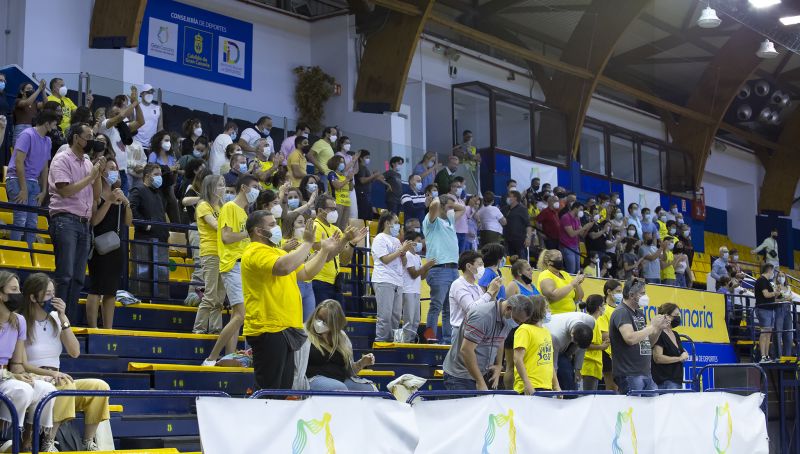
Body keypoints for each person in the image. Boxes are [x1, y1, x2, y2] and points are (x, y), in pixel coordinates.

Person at [241, 210, 340, 389]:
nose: (276, 227)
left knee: (284, 389)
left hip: (286, 328)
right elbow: (284, 267)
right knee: (269, 391)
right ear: (258, 231)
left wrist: (324, 251)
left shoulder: (277, 251)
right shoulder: (254, 251)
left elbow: (306, 272)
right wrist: (308, 243)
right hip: (269, 329)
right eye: (272, 224)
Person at [20, 273, 111, 450]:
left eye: (53, 294)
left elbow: (75, 352)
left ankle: (87, 442)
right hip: (33, 378)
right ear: (33, 297)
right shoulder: (21, 321)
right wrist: (52, 374)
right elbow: (21, 364)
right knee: (65, 384)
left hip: (57, 377)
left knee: (99, 387)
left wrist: (63, 319)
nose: (53, 298)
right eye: (47, 294)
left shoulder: (56, 318)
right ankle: (48, 443)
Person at [201, 175, 260, 366]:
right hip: (232, 264)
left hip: (245, 266)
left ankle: (229, 356)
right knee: (240, 315)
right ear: (243, 188)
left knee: (238, 316)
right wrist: (248, 233)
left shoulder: (245, 213)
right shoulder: (230, 207)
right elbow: (226, 237)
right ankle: (211, 358)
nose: (257, 190)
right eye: (255, 186)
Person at [49, 123, 103, 323]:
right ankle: (57, 321)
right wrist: (90, 177)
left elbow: (97, 195)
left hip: (84, 223)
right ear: (76, 138)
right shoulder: (62, 159)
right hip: (65, 220)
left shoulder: (88, 162)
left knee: (78, 278)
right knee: (65, 275)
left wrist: (98, 173)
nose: (92, 140)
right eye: (88, 136)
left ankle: (68, 323)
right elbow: (64, 191)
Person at [0, 272, 57, 452]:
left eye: (19, 289)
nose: (18, 294)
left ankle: (27, 442)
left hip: (6, 374)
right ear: (1, 294)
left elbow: (17, 364)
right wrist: (12, 376)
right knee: (21, 390)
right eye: (13, 289)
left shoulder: (19, 321)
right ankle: (5, 437)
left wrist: (29, 376)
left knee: (46, 389)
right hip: (3, 376)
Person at [442, 294, 533, 391]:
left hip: (482, 373)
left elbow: (500, 340)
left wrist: (498, 365)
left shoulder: (507, 317)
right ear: (508, 308)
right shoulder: (482, 316)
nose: (517, 324)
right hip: (460, 375)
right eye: (517, 320)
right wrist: (480, 381)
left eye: (521, 322)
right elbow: (466, 350)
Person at [86, 159, 131, 329]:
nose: (115, 171)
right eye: (111, 168)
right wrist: (109, 201)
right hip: (99, 247)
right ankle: (93, 327)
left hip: (116, 248)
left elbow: (128, 222)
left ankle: (108, 329)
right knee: (96, 289)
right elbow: (94, 221)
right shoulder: (96, 195)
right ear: (102, 171)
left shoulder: (118, 195)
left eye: (116, 169)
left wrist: (126, 202)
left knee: (111, 292)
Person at [609, 277, 670, 394]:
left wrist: (658, 329)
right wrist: (651, 327)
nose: (645, 296)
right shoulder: (622, 312)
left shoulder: (640, 313)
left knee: (653, 404)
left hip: (645, 373)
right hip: (629, 374)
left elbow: (648, 343)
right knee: (634, 406)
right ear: (631, 295)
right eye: (642, 293)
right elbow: (630, 338)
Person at [6, 110, 57, 245]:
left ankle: (28, 253)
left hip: (34, 183)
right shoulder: (27, 134)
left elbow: (45, 167)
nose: (55, 127)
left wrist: (44, 191)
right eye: (54, 124)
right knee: (20, 220)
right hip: (16, 180)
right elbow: (19, 162)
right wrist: (23, 189)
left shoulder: (48, 141)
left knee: (32, 223)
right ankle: (16, 254)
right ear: (47, 123)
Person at [305, 300, 376, 391]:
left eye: (325, 321)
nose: (320, 323)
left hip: (340, 379)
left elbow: (349, 372)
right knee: (339, 388)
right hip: (312, 379)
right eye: (319, 318)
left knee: (371, 389)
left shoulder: (342, 337)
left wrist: (361, 363)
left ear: (335, 323)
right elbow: (297, 370)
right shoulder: (305, 335)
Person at [311, 195, 368, 303]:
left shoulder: (336, 229)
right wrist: (344, 239)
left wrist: (352, 243)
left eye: (335, 209)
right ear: (320, 210)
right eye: (331, 209)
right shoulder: (315, 227)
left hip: (336, 282)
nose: (335, 212)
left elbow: (344, 260)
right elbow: (325, 257)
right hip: (319, 281)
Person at [422, 194, 464, 343]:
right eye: (449, 207)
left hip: (453, 269)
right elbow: (434, 206)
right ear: (442, 207)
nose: (452, 210)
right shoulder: (431, 220)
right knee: (436, 306)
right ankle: (430, 338)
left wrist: (450, 204)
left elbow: (463, 209)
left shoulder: (449, 219)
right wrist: (439, 200)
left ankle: (447, 340)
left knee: (449, 309)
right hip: (439, 269)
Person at [192, 175, 227, 335]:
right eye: (219, 185)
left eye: (223, 184)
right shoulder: (203, 205)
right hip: (210, 253)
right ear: (210, 187)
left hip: (223, 254)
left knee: (220, 297)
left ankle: (215, 329)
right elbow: (215, 225)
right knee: (210, 295)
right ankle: (199, 329)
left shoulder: (221, 207)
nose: (223, 188)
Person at [372, 212, 415, 342]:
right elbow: (385, 259)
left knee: (396, 316)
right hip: (384, 279)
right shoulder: (379, 238)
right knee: (384, 316)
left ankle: (392, 342)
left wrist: (404, 252)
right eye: (396, 223)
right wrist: (401, 250)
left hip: (398, 281)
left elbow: (404, 263)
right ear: (387, 223)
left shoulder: (396, 240)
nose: (398, 226)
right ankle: (380, 342)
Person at [129, 164, 170, 300]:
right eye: (156, 174)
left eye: (160, 174)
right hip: (144, 239)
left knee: (161, 279)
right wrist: (144, 225)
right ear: (147, 176)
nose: (159, 177)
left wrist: (166, 232)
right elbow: (131, 208)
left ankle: (160, 302)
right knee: (143, 281)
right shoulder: (138, 189)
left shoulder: (158, 193)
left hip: (161, 239)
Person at [97, 86, 145, 195]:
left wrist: (137, 105)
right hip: (109, 169)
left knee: (123, 201)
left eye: (119, 113)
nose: (119, 116)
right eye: (115, 114)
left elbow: (141, 122)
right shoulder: (105, 125)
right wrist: (134, 103)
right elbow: (122, 116)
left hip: (123, 171)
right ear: (109, 115)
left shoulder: (122, 128)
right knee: (108, 199)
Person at [449, 251, 503, 338]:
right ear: (469, 266)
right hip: (461, 331)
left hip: (477, 330)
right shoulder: (458, 284)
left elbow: (485, 309)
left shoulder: (477, 287)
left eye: (483, 265)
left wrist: (493, 295)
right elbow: (472, 309)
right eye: (480, 264)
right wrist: (489, 292)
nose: (483, 268)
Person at [513, 295, 557, 395]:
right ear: (538, 309)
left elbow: (549, 362)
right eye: (546, 307)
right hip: (531, 387)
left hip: (546, 386)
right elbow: (517, 358)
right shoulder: (524, 329)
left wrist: (556, 385)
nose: (549, 310)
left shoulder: (546, 331)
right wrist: (527, 383)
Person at [544, 310, 595, 391]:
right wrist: (556, 386)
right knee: (565, 375)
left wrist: (578, 369)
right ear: (571, 336)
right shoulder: (556, 337)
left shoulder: (590, 321)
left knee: (571, 383)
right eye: (576, 344)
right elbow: (554, 365)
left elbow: (582, 348)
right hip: (549, 348)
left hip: (564, 345)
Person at [281, 212, 318, 322]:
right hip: (293, 283)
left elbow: (304, 264)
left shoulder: (304, 243)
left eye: (304, 222)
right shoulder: (283, 242)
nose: (303, 226)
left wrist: (313, 258)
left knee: (308, 322)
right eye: (300, 222)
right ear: (291, 224)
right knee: (292, 321)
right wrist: (284, 249)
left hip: (308, 285)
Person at [401, 231, 433, 343]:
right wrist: (426, 266)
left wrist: (428, 267)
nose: (421, 243)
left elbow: (422, 276)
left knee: (415, 320)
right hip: (408, 290)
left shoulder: (418, 257)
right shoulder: (407, 255)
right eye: (418, 241)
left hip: (416, 291)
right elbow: (413, 274)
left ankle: (411, 341)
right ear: (411, 242)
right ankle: (406, 341)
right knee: (409, 319)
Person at [651, 303, 688, 390]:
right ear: (667, 316)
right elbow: (658, 358)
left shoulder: (675, 334)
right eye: (676, 315)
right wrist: (679, 358)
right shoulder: (659, 333)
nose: (678, 318)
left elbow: (680, 352)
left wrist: (684, 353)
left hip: (677, 380)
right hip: (665, 381)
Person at [536, 249, 584, 314]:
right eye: (558, 258)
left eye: (561, 258)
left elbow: (579, 297)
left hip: (571, 314)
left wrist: (577, 283)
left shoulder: (565, 274)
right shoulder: (545, 274)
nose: (561, 260)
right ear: (549, 262)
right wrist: (572, 285)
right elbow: (552, 296)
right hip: (554, 314)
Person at [148, 131, 180, 223]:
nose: (168, 143)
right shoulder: (154, 155)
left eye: (169, 141)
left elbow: (174, 178)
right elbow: (150, 169)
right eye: (166, 140)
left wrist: (176, 170)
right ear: (159, 141)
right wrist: (168, 168)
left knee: (176, 219)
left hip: (169, 189)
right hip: (157, 189)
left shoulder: (171, 157)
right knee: (160, 217)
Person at [578, 295, 609, 391]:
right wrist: (602, 346)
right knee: (588, 396)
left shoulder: (595, 322)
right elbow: (585, 345)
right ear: (599, 307)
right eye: (603, 305)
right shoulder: (591, 322)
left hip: (594, 365)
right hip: (589, 365)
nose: (604, 307)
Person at [598, 279, 622, 392]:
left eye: (621, 291)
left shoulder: (621, 309)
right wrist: (624, 336)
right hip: (608, 353)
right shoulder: (604, 310)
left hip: (621, 353)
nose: (620, 294)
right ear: (608, 291)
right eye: (618, 291)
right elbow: (604, 335)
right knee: (612, 387)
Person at [559, 202, 594, 274]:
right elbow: (571, 234)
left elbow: (581, 234)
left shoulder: (577, 218)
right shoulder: (566, 217)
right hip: (567, 246)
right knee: (571, 270)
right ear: (575, 208)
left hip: (575, 246)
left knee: (577, 270)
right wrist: (584, 227)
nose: (582, 212)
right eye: (580, 209)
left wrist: (588, 227)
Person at [754, 264, 778, 363]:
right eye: (773, 271)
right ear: (769, 270)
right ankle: (763, 356)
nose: (773, 273)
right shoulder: (761, 280)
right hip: (763, 309)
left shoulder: (767, 281)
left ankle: (767, 355)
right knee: (764, 332)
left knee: (768, 333)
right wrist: (775, 293)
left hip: (770, 309)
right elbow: (766, 294)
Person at [354, 150, 387, 220]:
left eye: (369, 157)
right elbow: (362, 180)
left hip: (366, 195)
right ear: (361, 158)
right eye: (366, 157)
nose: (368, 159)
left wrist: (374, 177)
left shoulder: (365, 168)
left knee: (368, 216)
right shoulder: (360, 167)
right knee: (363, 216)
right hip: (362, 195)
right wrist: (374, 175)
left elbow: (369, 181)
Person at [132, 84, 162, 151]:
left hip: (151, 147)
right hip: (136, 145)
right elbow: (130, 126)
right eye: (147, 92)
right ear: (141, 94)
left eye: (151, 92)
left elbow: (160, 128)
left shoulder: (158, 108)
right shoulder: (135, 107)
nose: (150, 94)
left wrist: (157, 144)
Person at [326, 155, 352, 230]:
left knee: (343, 227)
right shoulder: (332, 174)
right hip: (337, 203)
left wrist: (350, 179)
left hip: (347, 203)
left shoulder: (344, 176)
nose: (342, 164)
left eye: (343, 162)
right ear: (335, 163)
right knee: (335, 226)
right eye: (340, 162)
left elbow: (351, 188)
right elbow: (337, 186)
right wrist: (347, 179)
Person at [502, 190, 531, 258]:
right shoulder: (505, 209)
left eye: (509, 196)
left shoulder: (522, 209)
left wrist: (528, 238)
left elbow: (528, 225)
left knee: (521, 260)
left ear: (515, 198)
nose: (508, 198)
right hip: (507, 240)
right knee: (509, 261)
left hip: (520, 241)